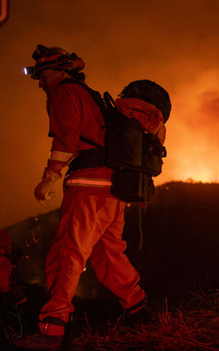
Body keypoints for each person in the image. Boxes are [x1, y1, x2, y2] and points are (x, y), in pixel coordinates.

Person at [14, 45, 164, 350]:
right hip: (114, 186)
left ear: (59, 71)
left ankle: (52, 329)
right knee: (107, 255)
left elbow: (67, 140)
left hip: (88, 186)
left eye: (42, 75)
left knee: (67, 253)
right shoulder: (92, 95)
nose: (40, 82)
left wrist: (48, 179)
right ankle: (141, 313)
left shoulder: (65, 94)